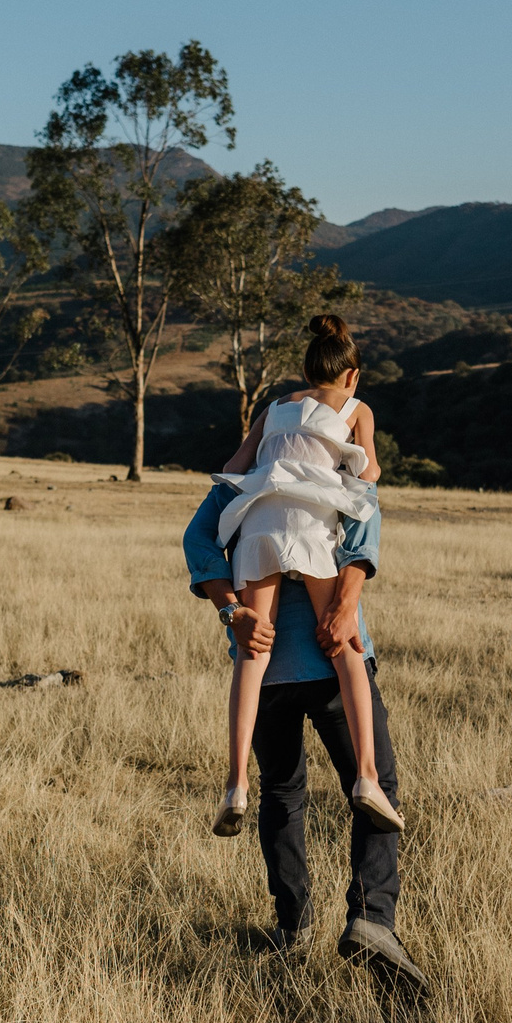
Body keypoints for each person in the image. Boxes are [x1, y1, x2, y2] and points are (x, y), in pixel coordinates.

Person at [182, 382, 427, 994]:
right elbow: (364, 533)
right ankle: (372, 921)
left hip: (263, 672)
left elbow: (197, 540)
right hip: (333, 659)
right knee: (376, 785)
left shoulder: (241, 482)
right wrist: (345, 604)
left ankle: (292, 930)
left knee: (282, 796)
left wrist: (229, 609)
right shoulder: (343, 468)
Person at [207, 315, 402, 838]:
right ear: (351, 375)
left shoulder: (273, 408)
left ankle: (236, 786)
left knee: (252, 652)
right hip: (313, 525)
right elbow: (369, 475)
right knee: (345, 646)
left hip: (259, 524)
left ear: (308, 368)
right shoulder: (358, 407)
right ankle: (366, 779)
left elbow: (234, 463)